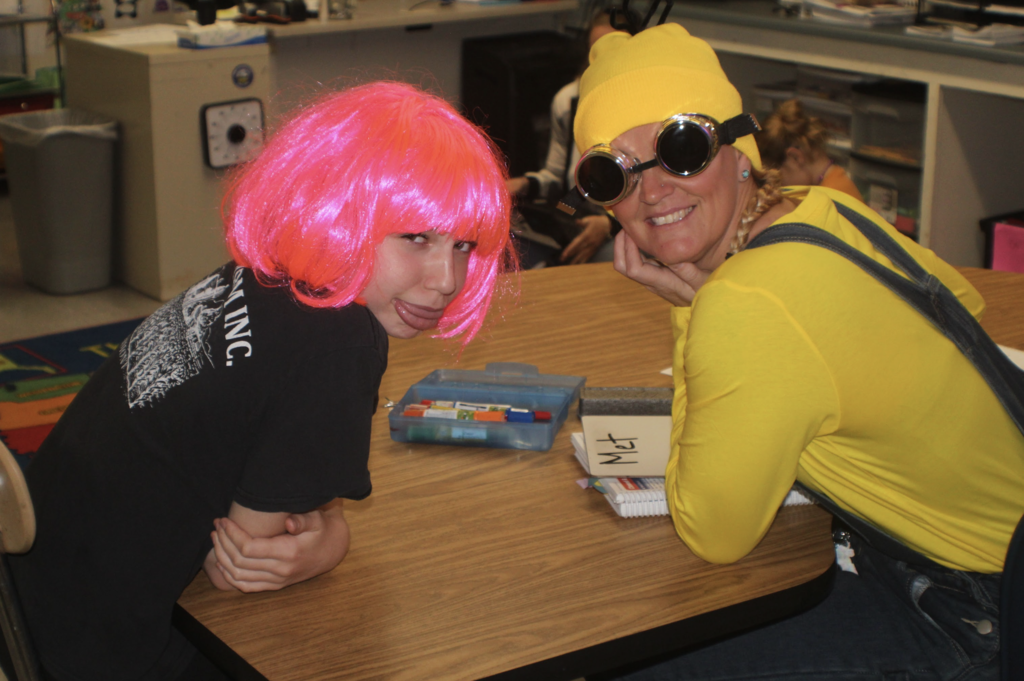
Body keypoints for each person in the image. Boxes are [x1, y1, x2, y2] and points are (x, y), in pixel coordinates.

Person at [7, 81, 514, 681]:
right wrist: (331, 541)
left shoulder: (264, 279)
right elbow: (241, 566)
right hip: (106, 650)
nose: (447, 278)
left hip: (35, 595)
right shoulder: (338, 343)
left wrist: (312, 514)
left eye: (463, 246)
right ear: (339, 212)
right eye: (416, 238)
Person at [566, 23, 1024, 680]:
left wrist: (696, 312)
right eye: (613, 173)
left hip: (969, 608)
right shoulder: (827, 209)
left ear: (741, 149)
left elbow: (713, 531)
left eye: (682, 147)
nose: (652, 190)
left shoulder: (746, 303)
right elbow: (962, 304)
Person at [506, 10, 620, 266]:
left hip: (622, 216)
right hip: (576, 200)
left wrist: (610, 225)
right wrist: (524, 184)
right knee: (513, 239)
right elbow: (556, 175)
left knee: (608, 257)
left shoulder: (647, 109)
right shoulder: (568, 101)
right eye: (596, 51)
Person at [755, 98, 863, 202]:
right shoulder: (836, 179)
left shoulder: (829, 199)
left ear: (795, 157)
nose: (778, 186)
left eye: (779, 178)